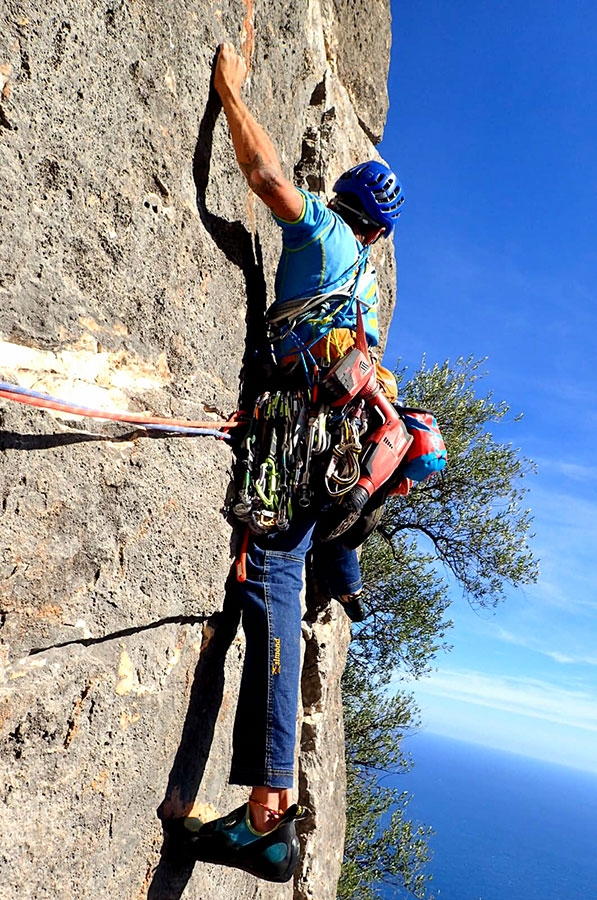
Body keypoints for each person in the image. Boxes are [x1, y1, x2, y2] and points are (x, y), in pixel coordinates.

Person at [166, 42, 405, 883]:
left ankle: (270, 809)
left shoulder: (329, 236)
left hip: (287, 442)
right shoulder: (368, 293)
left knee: (268, 597)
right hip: (328, 454)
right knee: (278, 589)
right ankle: (343, 576)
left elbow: (269, 179)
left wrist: (230, 95)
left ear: (348, 208)